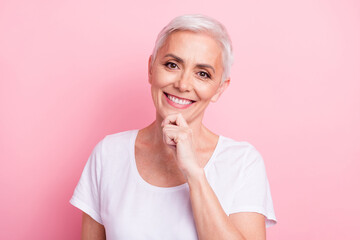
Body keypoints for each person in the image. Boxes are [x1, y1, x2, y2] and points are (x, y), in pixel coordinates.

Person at [70, 14, 277, 240]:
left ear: (219, 89)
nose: (182, 84)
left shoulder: (243, 163)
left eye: (202, 74)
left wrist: (194, 174)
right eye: (172, 64)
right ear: (151, 68)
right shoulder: (108, 154)